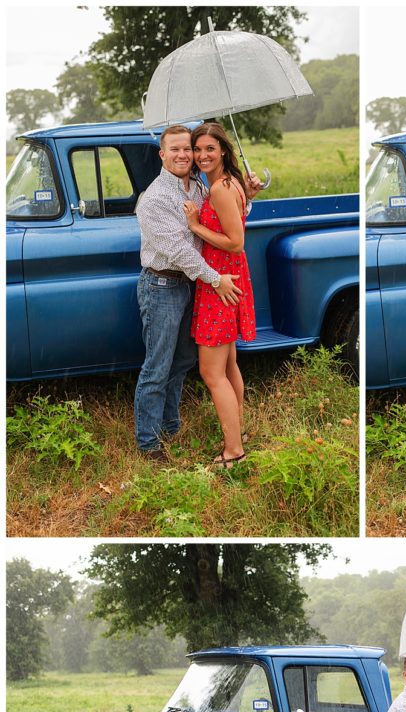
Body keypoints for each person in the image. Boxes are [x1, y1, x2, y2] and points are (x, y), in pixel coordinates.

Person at [134, 124, 246, 460]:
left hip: (191, 286)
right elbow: (179, 251)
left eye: (189, 149)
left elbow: (225, 219)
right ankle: (149, 443)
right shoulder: (153, 199)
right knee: (157, 366)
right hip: (162, 285)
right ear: (162, 154)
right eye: (177, 149)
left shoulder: (199, 187)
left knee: (182, 361)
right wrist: (215, 279)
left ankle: (171, 426)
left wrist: (246, 192)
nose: (185, 155)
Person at [184, 122, 258, 467]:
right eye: (197, 150)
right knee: (228, 365)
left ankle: (234, 452)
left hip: (221, 282)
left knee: (211, 373)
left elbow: (236, 241)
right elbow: (237, 219)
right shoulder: (229, 184)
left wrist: (196, 226)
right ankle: (237, 434)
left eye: (209, 149)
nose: (201, 156)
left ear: (224, 151)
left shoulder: (220, 189)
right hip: (225, 277)